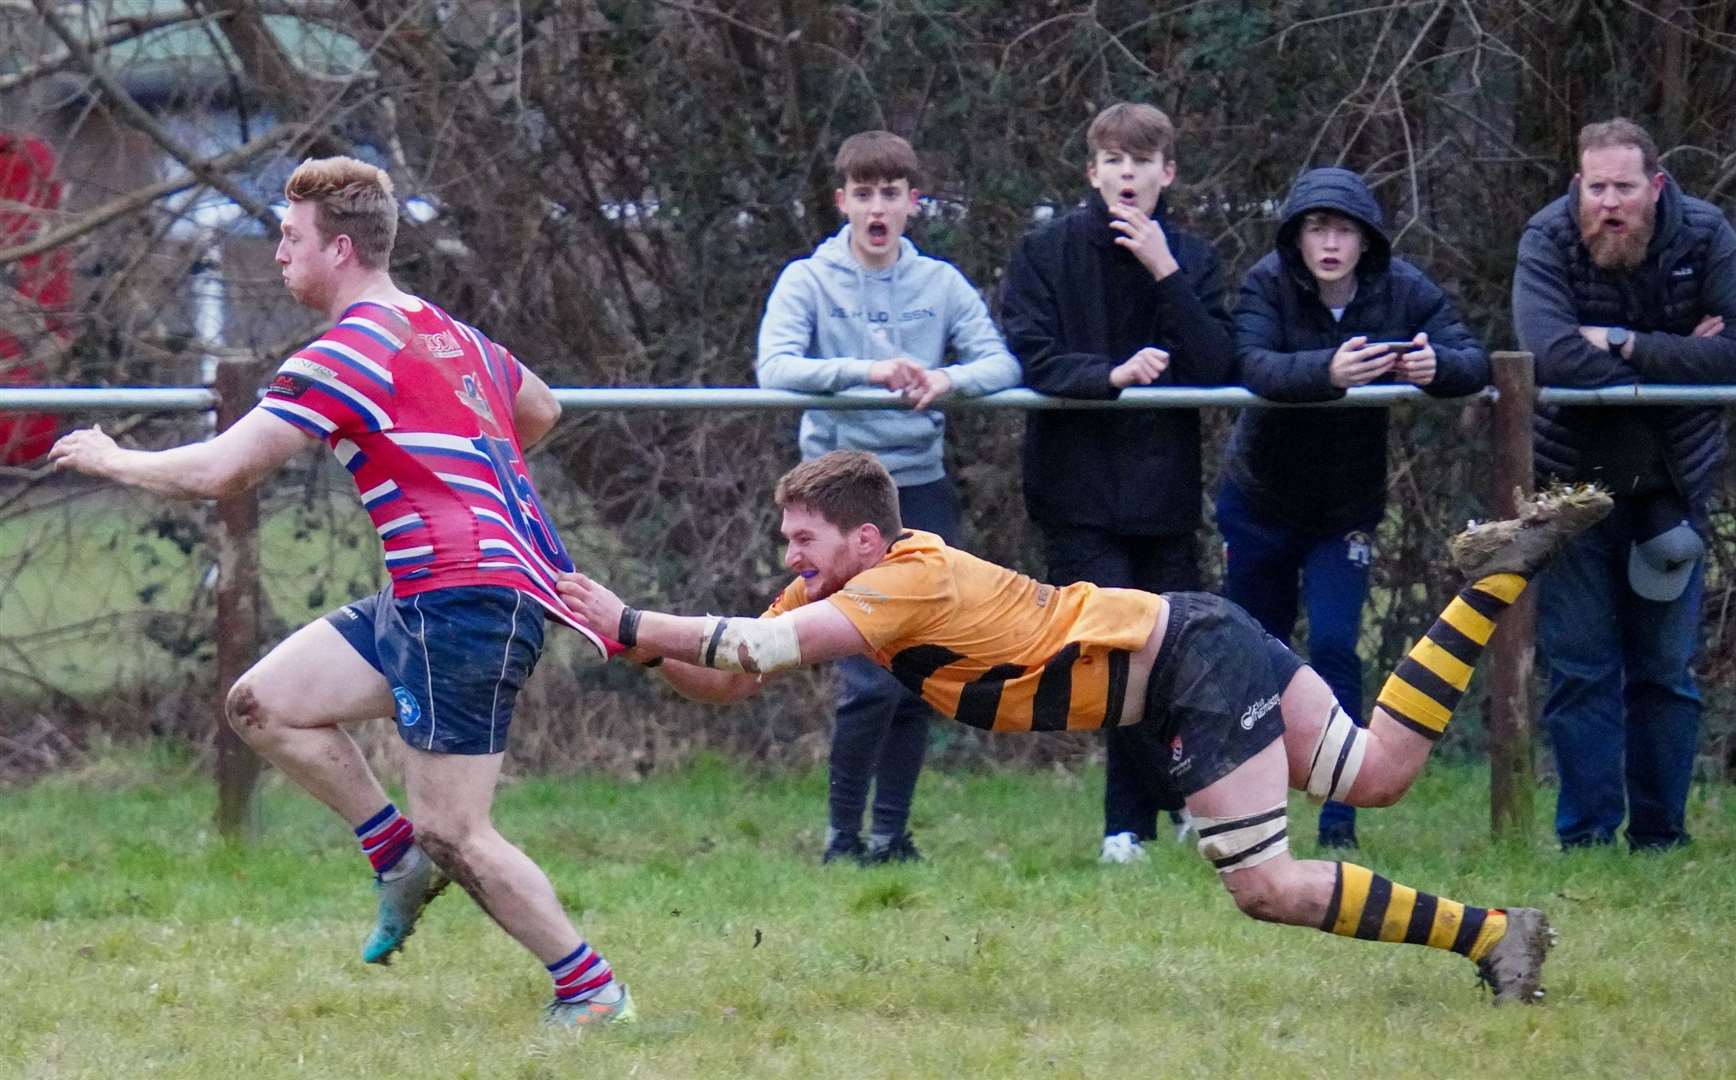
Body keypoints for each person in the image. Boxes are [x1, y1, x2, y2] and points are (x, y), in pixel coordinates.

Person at [558, 449, 1614, 1005]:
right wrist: (633, 643)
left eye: (801, 541)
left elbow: (755, 651)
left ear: (863, 537)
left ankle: (1489, 938)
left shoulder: (901, 579)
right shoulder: (836, 587)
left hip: (1183, 665)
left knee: (1264, 884)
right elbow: (730, 676)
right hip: (1188, 640)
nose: (789, 559)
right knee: (1373, 772)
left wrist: (633, 617)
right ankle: (1491, 588)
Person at [48, 156, 635, 1028]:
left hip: (465, 600)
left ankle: (591, 991)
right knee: (263, 703)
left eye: (291, 239)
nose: (279, 253)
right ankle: (394, 857)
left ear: (343, 248)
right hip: (430, 593)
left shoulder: (349, 350)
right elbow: (540, 408)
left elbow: (225, 470)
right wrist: (466, 474)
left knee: (458, 830)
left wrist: (111, 457)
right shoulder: (446, 331)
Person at [757, 130, 1020, 865]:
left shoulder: (939, 284)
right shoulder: (808, 280)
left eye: (892, 194)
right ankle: (841, 838)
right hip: (837, 497)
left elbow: (1000, 361)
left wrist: (949, 381)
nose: (879, 208)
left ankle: (891, 837)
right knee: (865, 680)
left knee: (915, 678)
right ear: (843, 201)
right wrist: (866, 373)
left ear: (913, 202)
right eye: (864, 194)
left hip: (920, 494)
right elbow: (774, 368)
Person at [1223, 167, 1490, 850]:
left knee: (1339, 643)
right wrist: (1328, 373)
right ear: (1298, 237)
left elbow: (1472, 358)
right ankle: (1249, 812)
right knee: (1255, 653)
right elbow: (1251, 363)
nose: (1331, 243)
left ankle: (1340, 819)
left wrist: (1438, 371)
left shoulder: (1402, 287)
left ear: (1367, 240)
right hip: (1260, 499)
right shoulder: (1266, 283)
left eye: (1344, 230)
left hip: (1346, 508)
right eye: (1318, 229)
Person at [999, 102, 1236, 864]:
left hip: (1165, 497)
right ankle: (1152, 814)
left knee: (1173, 657)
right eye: (1113, 160)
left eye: (1142, 162)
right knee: (1110, 658)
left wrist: (1164, 271)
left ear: (1168, 172)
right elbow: (1031, 356)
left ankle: (1134, 825)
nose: (1126, 175)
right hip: (1076, 494)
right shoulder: (1044, 252)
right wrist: (1111, 375)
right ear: (1091, 171)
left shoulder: (1193, 259)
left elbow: (1215, 363)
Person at [1512, 117, 1736, 851]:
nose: (1608, 202)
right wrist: (1678, 363)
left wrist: (1624, 343)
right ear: (1578, 185)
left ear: (1657, 187)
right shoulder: (1546, 238)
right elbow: (1548, 356)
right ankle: (1586, 835)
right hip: (1570, 486)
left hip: (1672, 487)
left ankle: (1661, 838)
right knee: (1578, 667)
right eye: (1595, 186)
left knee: (1665, 672)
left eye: (1624, 187)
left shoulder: (1706, 236)